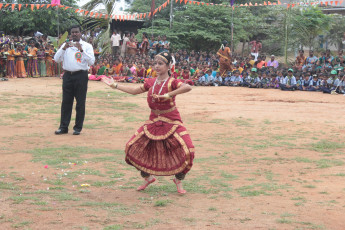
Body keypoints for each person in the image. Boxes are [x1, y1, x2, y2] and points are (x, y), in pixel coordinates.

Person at [101, 52, 195, 194]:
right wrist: (115, 85)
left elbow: (187, 87)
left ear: (169, 66)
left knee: (188, 149)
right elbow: (133, 91)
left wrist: (168, 94)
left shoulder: (173, 82)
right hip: (153, 120)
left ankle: (179, 179)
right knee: (131, 148)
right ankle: (147, 178)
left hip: (172, 120)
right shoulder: (151, 82)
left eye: (160, 64)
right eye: (155, 63)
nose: (157, 66)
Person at [54, 25, 95, 135]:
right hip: (67, 76)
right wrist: (63, 48)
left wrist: (81, 50)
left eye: (77, 32)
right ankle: (63, 127)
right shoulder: (65, 45)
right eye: (73, 32)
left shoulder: (87, 46)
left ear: (80, 33)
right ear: (70, 34)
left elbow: (92, 62)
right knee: (66, 102)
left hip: (81, 76)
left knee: (80, 103)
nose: (75, 34)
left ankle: (77, 128)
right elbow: (56, 59)